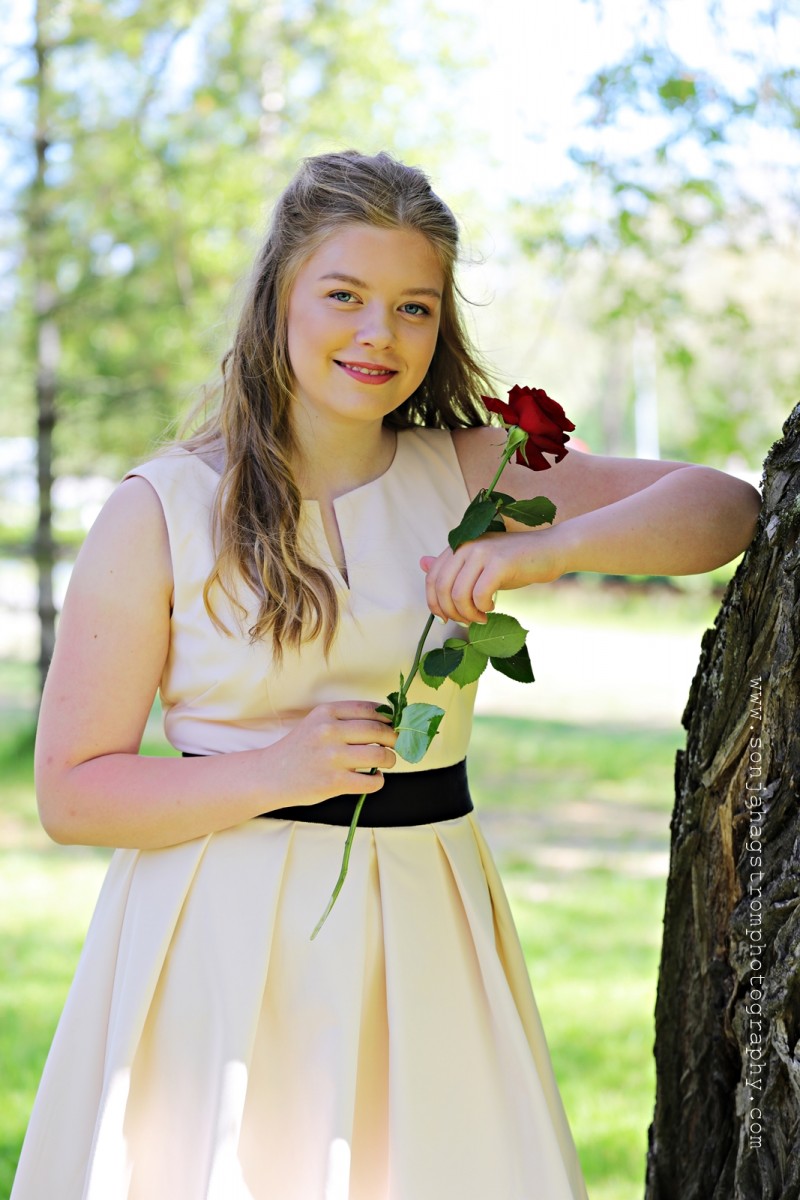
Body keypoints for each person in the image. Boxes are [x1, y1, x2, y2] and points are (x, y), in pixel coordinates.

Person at [12, 150, 760, 1200]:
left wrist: (538, 550)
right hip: (220, 937)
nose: (379, 334)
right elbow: (73, 792)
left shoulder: (466, 471)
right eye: (344, 296)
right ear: (279, 297)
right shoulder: (162, 509)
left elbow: (725, 509)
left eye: (414, 307)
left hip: (423, 919)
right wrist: (275, 771)